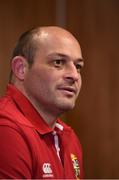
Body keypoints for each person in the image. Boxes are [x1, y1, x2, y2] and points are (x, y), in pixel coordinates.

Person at [0, 26, 84, 179]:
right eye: (58, 62)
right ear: (21, 69)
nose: (74, 75)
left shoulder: (68, 137)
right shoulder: (6, 129)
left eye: (78, 66)